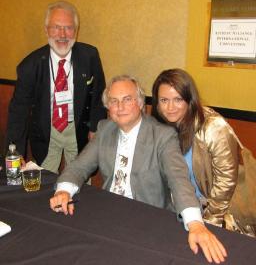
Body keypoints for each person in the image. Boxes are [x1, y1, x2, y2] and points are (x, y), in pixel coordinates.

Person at [50, 75, 227, 264]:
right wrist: (63, 190)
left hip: (147, 220)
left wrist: (195, 224)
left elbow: (179, 180)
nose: (120, 107)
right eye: (113, 101)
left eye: (127, 99)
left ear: (141, 103)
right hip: (108, 213)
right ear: (108, 107)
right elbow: (79, 166)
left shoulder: (162, 135)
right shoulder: (105, 129)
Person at [151, 68, 255, 237]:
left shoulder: (213, 127)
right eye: (164, 100)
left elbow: (225, 181)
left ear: (189, 99)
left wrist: (208, 223)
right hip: (184, 205)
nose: (170, 107)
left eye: (178, 99)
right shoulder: (161, 128)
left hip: (221, 209)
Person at [6, 1, 106, 173]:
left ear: (75, 30)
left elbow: (98, 94)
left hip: (78, 127)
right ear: (46, 30)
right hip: (46, 130)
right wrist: (14, 153)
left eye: (68, 28)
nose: (62, 34)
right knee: (45, 180)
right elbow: (18, 112)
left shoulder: (89, 56)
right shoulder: (30, 65)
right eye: (56, 27)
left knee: (80, 180)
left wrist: (95, 127)